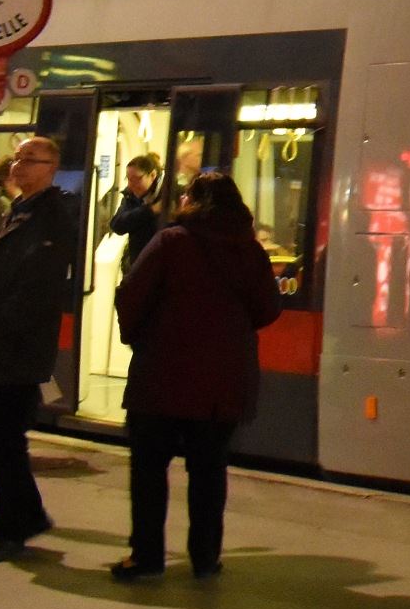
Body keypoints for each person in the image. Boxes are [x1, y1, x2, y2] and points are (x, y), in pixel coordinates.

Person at [109, 171, 282, 582]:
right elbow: (268, 309)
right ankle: (205, 559)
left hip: (162, 375)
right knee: (208, 471)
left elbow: (132, 294)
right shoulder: (251, 251)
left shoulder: (172, 242)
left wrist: (140, 338)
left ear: (192, 201)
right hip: (223, 383)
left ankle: (147, 557)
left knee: (149, 470)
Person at [0, 133, 81, 564]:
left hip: (14, 350)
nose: (19, 166)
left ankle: (10, 529)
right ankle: (26, 515)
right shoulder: (21, 212)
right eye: (17, 158)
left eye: (31, 159)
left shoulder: (49, 219)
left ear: (51, 168)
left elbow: (31, 291)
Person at [108, 154, 164, 270]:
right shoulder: (131, 195)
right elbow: (117, 225)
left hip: (161, 266)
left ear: (152, 175)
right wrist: (150, 211)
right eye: (128, 179)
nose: (130, 185)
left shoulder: (168, 194)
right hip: (138, 265)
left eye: (137, 179)